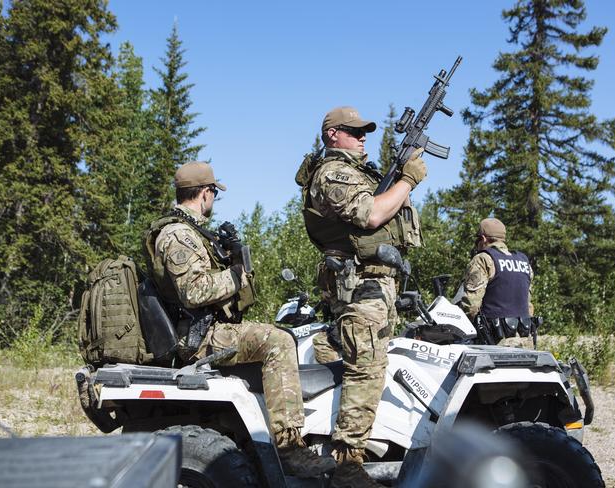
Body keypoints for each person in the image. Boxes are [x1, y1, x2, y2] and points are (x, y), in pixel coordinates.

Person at [143, 161, 335, 478]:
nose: (214, 200)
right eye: (214, 193)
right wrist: (234, 275)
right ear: (204, 193)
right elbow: (194, 292)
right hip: (198, 337)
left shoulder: (188, 231)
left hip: (205, 329)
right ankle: (289, 449)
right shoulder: (177, 235)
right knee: (279, 341)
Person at [296, 107, 427, 487]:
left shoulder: (357, 172)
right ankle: (347, 467)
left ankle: (352, 451)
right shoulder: (332, 173)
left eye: (365, 130)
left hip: (374, 287)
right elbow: (371, 216)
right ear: (332, 135)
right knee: (365, 371)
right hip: (361, 288)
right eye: (354, 131)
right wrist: (408, 180)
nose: (363, 136)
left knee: (368, 368)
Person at [457, 218, 535, 344]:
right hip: (523, 339)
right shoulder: (523, 261)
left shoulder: (483, 259)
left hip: (494, 341)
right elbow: (528, 305)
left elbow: (471, 305)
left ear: (483, 239)